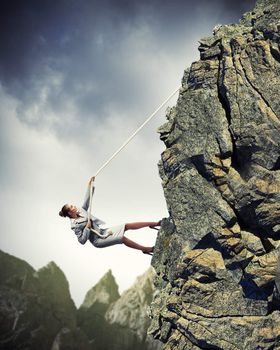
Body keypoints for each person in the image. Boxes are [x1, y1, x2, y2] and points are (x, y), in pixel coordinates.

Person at [59, 176, 161, 255]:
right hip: (98, 239)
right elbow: (81, 241)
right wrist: (87, 228)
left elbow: (86, 201)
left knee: (126, 225)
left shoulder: (80, 211)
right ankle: (147, 249)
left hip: (103, 231)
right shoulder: (74, 225)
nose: (74, 206)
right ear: (69, 213)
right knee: (122, 238)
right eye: (72, 207)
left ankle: (155, 223)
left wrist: (89, 186)